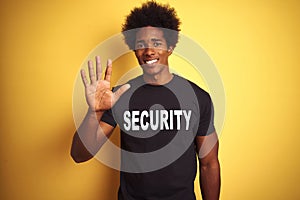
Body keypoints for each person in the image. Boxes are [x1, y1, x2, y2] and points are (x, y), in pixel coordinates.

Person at [71, 1, 220, 200]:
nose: (148, 51)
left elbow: (209, 163)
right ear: (134, 50)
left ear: (171, 47)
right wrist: (94, 113)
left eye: (156, 43)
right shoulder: (118, 97)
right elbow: (79, 155)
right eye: (141, 45)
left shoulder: (197, 97)